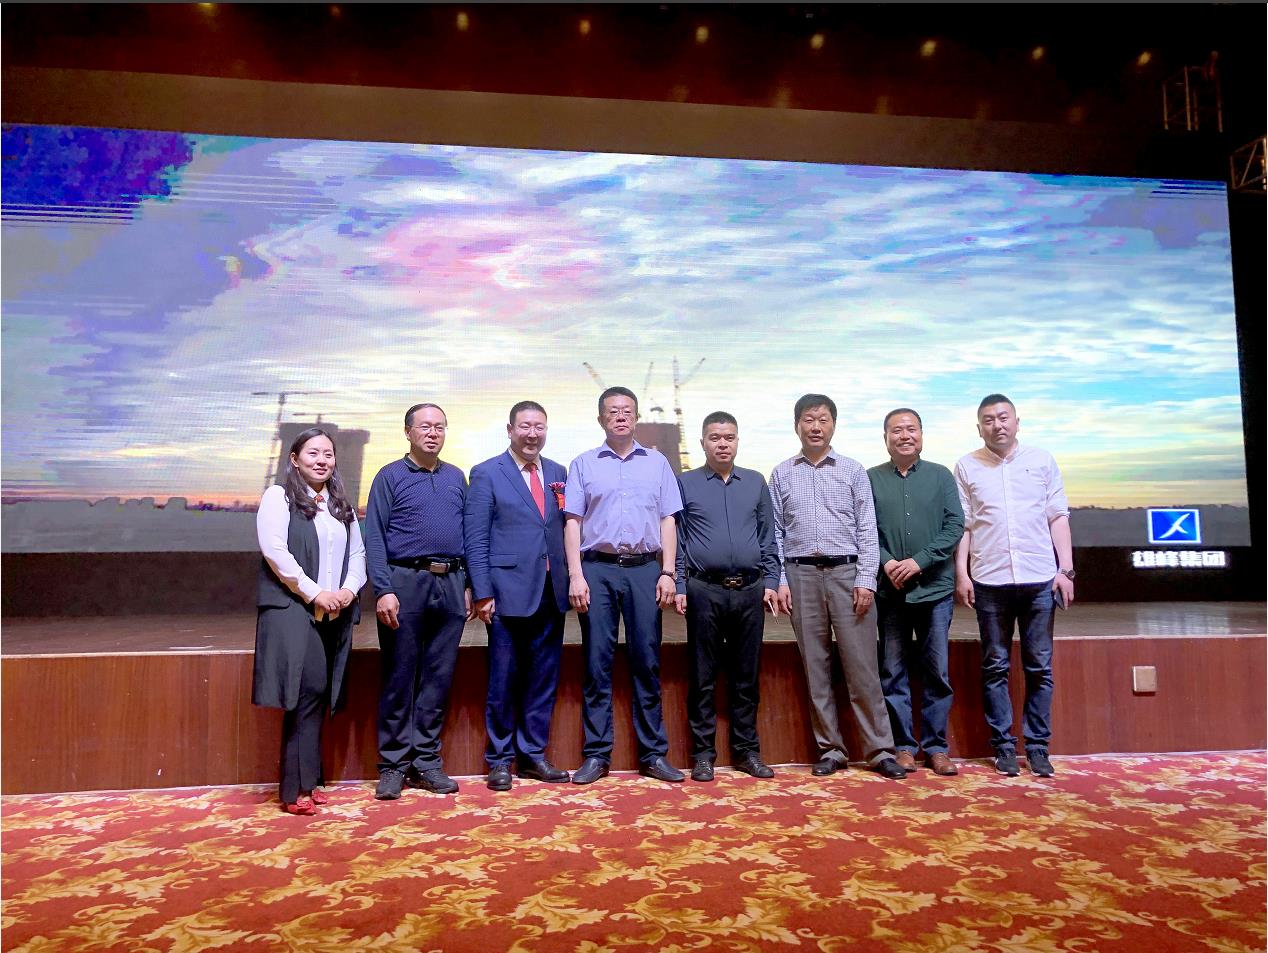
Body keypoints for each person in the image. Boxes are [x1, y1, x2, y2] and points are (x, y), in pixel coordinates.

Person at [769, 394, 906, 780]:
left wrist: (866, 579)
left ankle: (880, 750)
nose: (816, 426)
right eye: (808, 419)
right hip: (801, 575)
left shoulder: (852, 470)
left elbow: (867, 528)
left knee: (863, 668)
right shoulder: (781, 473)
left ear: (833, 425)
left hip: (848, 575)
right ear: (797, 425)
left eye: (823, 419)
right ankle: (831, 749)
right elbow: (775, 533)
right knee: (816, 668)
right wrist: (781, 580)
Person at [564, 386, 684, 784]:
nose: (620, 416)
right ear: (601, 419)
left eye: (627, 411)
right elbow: (573, 522)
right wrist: (576, 574)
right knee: (596, 663)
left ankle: (653, 754)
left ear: (636, 418)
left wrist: (668, 571)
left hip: (644, 570)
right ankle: (597, 755)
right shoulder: (583, 463)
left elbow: (668, 519)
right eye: (613, 411)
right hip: (597, 570)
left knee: (646, 661)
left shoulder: (657, 463)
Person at [954, 393, 1074, 779]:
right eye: (989, 420)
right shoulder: (967, 465)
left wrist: (1065, 570)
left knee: (1039, 667)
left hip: (1040, 578)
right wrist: (962, 574)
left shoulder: (1042, 460)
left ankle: (1037, 747)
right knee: (995, 666)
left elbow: (1058, 516)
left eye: (1003, 417)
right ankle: (1003, 746)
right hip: (990, 580)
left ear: (1017, 422)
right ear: (979, 428)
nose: (997, 425)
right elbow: (964, 525)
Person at [253, 427, 366, 815]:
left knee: (317, 694)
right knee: (306, 691)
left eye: (328, 454)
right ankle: (295, 789)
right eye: (313, 453)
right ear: (294, 459)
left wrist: (348, 589)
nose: (322, 460)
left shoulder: (340, 505)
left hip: (334, 612)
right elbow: (275, 551)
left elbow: (358, 555)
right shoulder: (279, 497)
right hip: (294, 609)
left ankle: (309, 779)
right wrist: (315, 592)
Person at [364, 403, 472, 799]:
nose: (433, 433)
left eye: (439, 427)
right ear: (408, 432)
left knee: (437, 678)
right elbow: (374, 536)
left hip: (451, 583)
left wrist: (469, 583)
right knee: (399, 676)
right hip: (404, 582)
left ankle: (426, 762)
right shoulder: (390, 476)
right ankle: (393, 764)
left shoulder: (456, 477)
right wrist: (383, 588)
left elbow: (468, 533)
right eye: (425, 426)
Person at [464, 401, 571, 791]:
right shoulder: (487, 472)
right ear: (510, 430)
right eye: (525, 426)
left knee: (543, 678)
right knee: (504, 679)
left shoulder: (558, 472)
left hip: (551, 590)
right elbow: (476, 537)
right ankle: (499, 760)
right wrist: (482, 591)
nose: (532, 434)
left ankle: (532, 755)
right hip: (506, 592)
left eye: (539, 427)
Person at [673, 411, 781, 782]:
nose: (723, 444)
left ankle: (747, 752)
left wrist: (771, 580)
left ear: (737, 441)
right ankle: (703, 755)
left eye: (729, 437)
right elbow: (678, 539)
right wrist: (680, 585)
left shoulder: (755, 481)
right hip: (704, 589)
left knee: (746, 676)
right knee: (702, 676)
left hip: (750, 590)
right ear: (703, 442)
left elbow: (768, 535)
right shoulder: (685, 482)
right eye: (715, 437)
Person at [867, 408, 964, 777]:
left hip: (934, 589)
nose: (904, 435)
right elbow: (863, 528)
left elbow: (955, 524)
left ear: (921, 435)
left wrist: (920, 561)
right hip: (890, 592)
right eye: (896, 430)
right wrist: (888, 562)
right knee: (892, 672)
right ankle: (903, 747)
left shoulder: (941, 476)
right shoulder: (871, 478)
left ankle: (937, 748)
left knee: (936, 671)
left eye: (911, 429)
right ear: (885, 437)